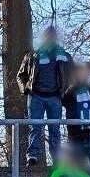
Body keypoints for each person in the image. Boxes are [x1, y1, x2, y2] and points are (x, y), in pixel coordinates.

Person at [18, 25, 72, 166]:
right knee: (35, 127)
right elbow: (21, 75)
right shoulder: (32, 55)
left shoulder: (63, 55)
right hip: (36, 96)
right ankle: (32, 157)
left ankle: (56, 158)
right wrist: (26, 89)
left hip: (55, 97)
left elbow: (72, 73)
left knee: (55, 128)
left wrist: (66, 90)